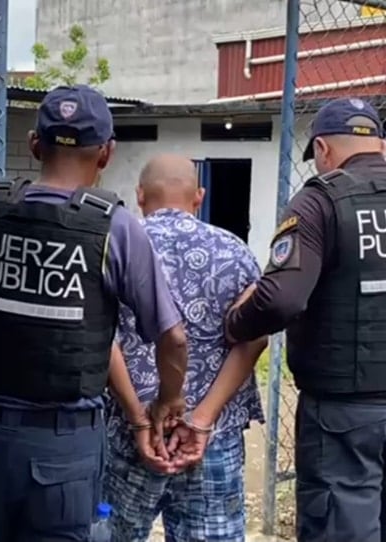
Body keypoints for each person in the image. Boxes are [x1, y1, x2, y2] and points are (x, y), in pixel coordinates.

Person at [224, 97, 386, 542]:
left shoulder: (319, 202)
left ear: (322, 149)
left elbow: (280, 300)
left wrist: (234, 322)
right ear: (382, 145)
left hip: (345, 417)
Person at [0, 84, 189, 542]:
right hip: (63, 447)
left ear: (34, 144)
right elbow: (173, 338)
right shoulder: (115, 227)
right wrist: (168, 400)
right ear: (106, 154)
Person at [104, 154, 268, 542]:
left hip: (131, 432)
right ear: (199, 196)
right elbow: (255, 338)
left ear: (139, 195)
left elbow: (101, 339)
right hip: (212, 436)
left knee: (110, 533)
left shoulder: (114, 248)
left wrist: (138, 418)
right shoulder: (234, 251)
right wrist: (202, 419)